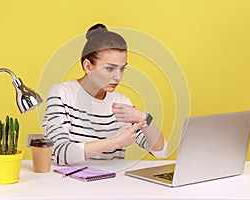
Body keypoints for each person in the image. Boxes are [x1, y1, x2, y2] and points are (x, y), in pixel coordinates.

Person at [42, 23, 167, 165]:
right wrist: (114, 142)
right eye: (110, 69)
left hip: (109, 184)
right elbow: (61, 151)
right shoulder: (62, 94)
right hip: (66, 182)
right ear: (88, 66)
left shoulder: (122, 102)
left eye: (122, 69)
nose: (118, 77)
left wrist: (144, 117)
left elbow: (160, 151)